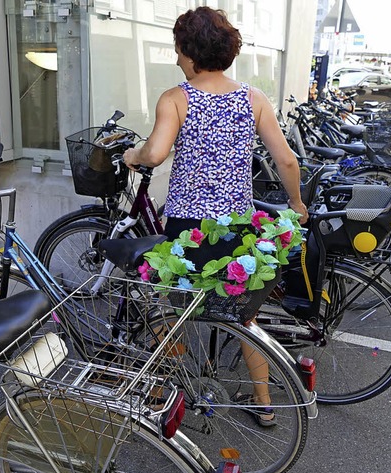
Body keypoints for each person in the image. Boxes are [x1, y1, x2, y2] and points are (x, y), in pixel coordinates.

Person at [123, 6, 308, 426]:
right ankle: (264, 403)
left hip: (189, 231)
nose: (175, 58)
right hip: (238, 230)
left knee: (167, 311)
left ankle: (164, 390)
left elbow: (155, 153)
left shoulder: (175, 98)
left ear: (189, 52)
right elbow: (287, 161)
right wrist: (296, 204)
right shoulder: (254, 98)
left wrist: (132, 156)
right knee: (245, 316)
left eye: (177, 49)